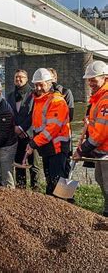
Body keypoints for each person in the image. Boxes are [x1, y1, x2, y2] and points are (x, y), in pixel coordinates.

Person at [26, 68, 71, 196]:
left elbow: (52, 129)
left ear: (50, 83)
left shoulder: (56, 101)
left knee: (58, 182)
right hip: (46, 147)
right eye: (36, 85)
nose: (38, 88)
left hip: (57, 148)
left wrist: (34, 143)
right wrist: (34, 142)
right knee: (50, 182)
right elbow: (38, 127)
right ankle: (56, 206)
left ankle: (66, 207)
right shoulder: (39, 101)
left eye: (42, 84)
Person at [74, 60, 108, 216]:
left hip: (106, 149)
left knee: (107, 182)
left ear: (104, 78)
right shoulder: (98, 97)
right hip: (100, 149)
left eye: (93, 79)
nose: (90, 83)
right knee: (100, 179)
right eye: (89, 79)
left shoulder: (106, 99)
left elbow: (101, 132)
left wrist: (82, 150)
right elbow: (96, 124)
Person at [6, 69, 41, 190]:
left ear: (27, 79)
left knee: (34, 164)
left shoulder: (34, 94)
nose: (18, 79)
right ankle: (21, 189)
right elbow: (8, 115)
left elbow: (34, 114)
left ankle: (35, 189)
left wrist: (22, 128)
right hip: (16, 136)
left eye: (21, 77)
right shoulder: (10, 96)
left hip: (30, 135)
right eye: (16, 77)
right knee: (18, 163)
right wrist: (15, 128)